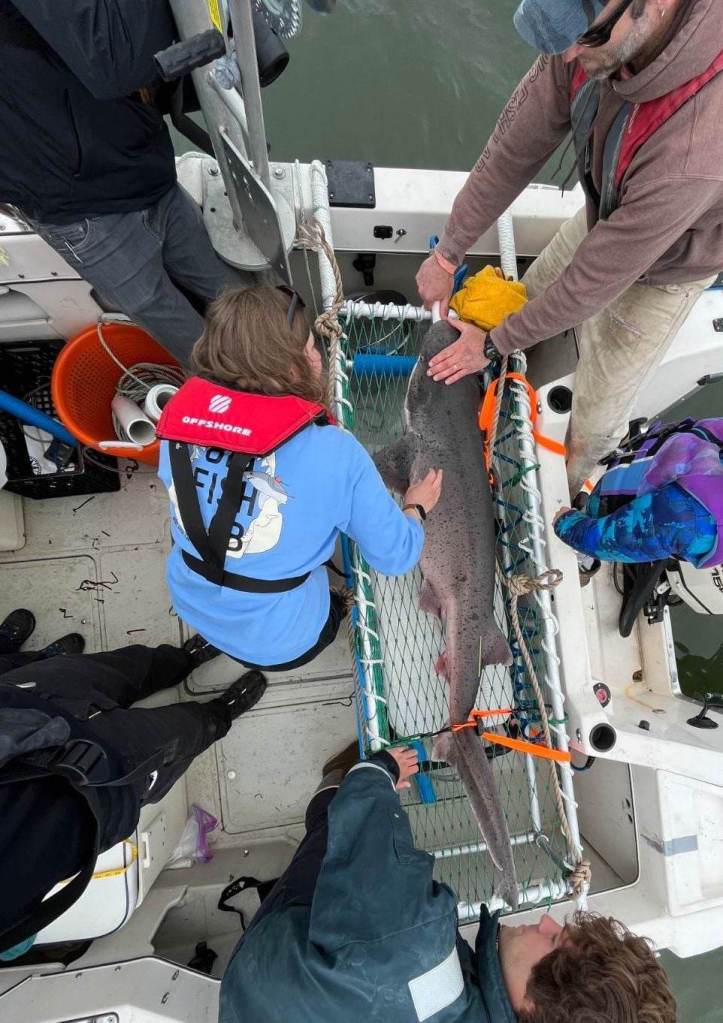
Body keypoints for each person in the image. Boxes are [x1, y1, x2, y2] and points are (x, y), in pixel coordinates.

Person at [416, 0, 723, 497]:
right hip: (609, 208)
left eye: (584, 38)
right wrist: (447, 253)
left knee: (595, 418)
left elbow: (593, 281)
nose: (566, 57)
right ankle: (498, 399)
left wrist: (492, 342)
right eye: (559, 37)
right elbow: (514, 147)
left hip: (668, 265)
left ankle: (573, 489)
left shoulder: (698, 146)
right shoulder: (585, 37)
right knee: (526, 312)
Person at [219, 742, 677, 1023]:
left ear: (534, 1006)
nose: (543, 921)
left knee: (336, 832)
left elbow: (367, 828)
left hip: (260, 980)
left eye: (553, 938)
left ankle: (329, 791)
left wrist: (378, 772)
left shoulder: (411, 935)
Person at [157, 285, 443, 671]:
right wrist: (415, 507)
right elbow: (395, 557)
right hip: (282, 642)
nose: (317, 356)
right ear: (287, 367)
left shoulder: (177, 421)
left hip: (191, 599)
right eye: (310, 348)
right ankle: (334, 615)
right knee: (325, 596)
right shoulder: (335, 452)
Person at [0, 0, 252, 365]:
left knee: (223, 293)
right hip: (75, 202)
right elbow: (113, 61)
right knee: (187, 326)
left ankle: (268, 365)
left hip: (138, 162)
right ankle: (242, 393)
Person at [0, 635, 267, 955]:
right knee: (183, 732)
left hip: (27, 702)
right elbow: (17, 942)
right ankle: (219, 714)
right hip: (98, 791)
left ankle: (183, 659)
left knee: (122, 668)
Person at [554, 415, 723, 566]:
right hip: (627, 476)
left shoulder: (696, 518)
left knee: (589, 535)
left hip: (614, 515)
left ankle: (582, 556)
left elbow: (619, 539)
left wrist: (566, 523)